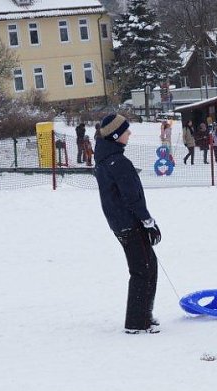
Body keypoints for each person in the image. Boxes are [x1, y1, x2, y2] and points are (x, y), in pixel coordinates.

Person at [93, 113, 162, 334]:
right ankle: (136, 322)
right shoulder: (118, 162)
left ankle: (144, 315)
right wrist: (148, 222)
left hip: (121, 223)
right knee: (142, 270)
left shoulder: (107, 159)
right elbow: (131, 197)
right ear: (115, 135)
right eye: (125, 130)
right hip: (129, 224)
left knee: (149, 265)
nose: (129, 133)